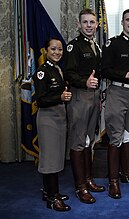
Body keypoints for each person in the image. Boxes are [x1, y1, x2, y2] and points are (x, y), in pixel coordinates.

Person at [101, 9, 129, 199]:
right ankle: (113, 180)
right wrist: (125, 75)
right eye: (128, 20)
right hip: (117, 92)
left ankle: (127, 174)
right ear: (122, 22)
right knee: (116, 136)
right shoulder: (113, 43)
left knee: (128, 135)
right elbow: (104, 69)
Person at [64, 8, 105, 204]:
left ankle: (88, 180)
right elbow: (68, 73)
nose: (89, 25)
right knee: (78, 142)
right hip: (80, 96)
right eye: (85, 22)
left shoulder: (95, 45)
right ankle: (80, 187)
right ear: (79, 25)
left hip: (94, 96)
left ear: (97, 25)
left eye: (92, 22)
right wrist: (84, 82)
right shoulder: (74, 46)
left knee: (89, 140)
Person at [33, 37, 71, 211]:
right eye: (53, 49)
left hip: (58, 116)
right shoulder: (42, 71)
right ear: (46, 51)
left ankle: (49, 192)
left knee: (55, 157)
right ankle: (53, 198)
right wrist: (60, 97)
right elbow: (40, 100)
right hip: (48, 118)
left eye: (60, 49)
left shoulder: (57, 69)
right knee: (50, 159)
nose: (57, 52)